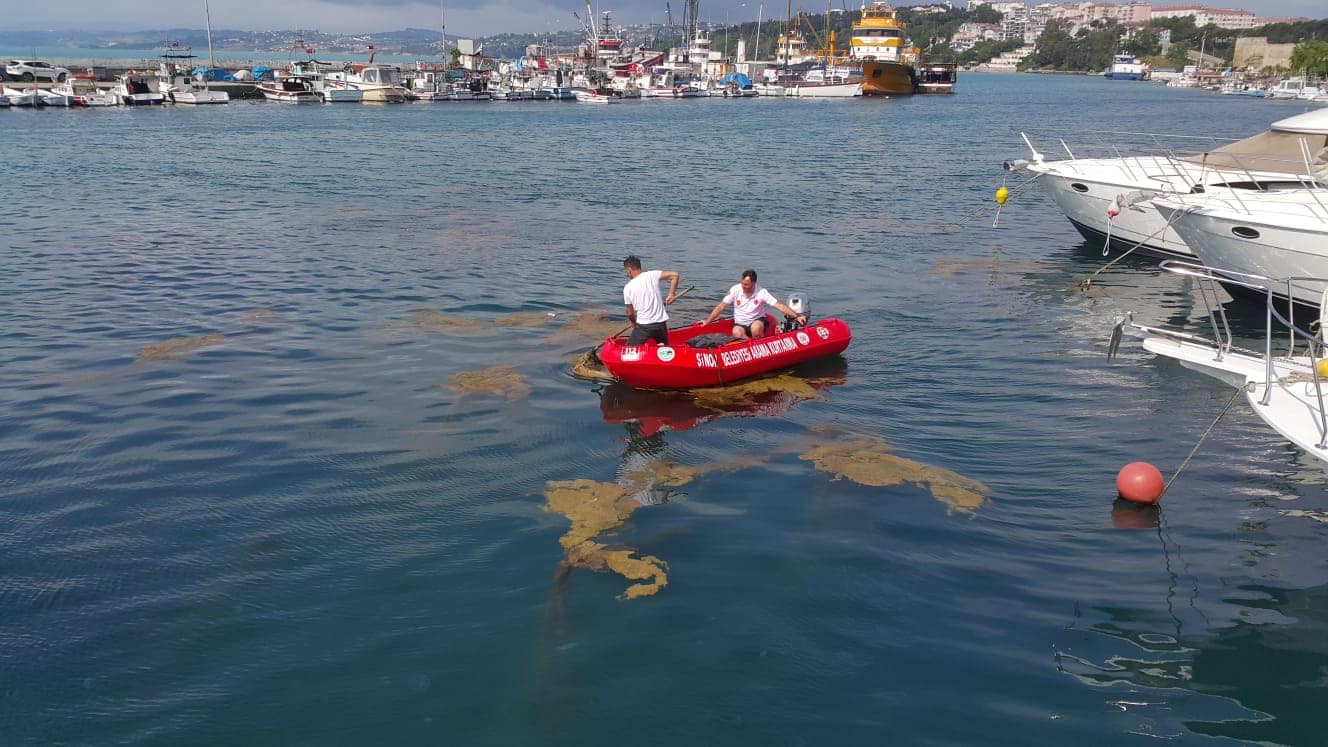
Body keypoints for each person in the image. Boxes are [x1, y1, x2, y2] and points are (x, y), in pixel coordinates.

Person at [702, 269, 806, 340]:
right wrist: (708, 320)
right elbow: (721, 306)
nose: (743, 286)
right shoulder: (735, 289)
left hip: (757, 320)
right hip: (740, 323)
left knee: (755, 328)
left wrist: (796, 316)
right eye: (742, 283)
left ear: (753, 283)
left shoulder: (761, 292)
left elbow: (778, 305)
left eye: (746, 284)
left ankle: (760, 346)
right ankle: (749, 347)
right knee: (736, 333)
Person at [621, 255, 681, 346]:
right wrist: (671, 294)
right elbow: (675, 275)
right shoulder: (652, 275)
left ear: (629, 270)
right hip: (660, 325)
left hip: (644, 326)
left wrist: (633, 323)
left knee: (628, 350)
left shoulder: (628, 287)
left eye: (626, 271)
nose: (627, 274)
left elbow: (630, 313)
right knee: (664, 350)